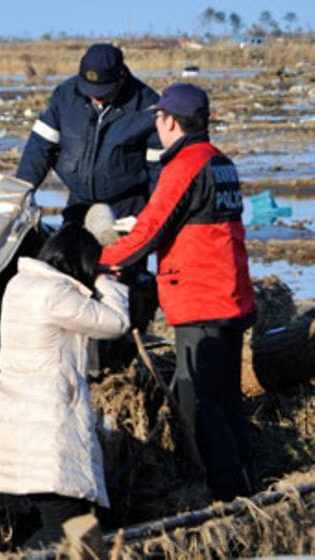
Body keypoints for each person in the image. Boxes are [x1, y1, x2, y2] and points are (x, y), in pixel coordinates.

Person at [99, 83, 257, 501]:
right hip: (230, 294)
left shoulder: (186, 164)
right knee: (226, 399)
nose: (156, 123)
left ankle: (222, 493)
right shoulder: (220, 162)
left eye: (158, 117)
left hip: (201, 299)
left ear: (170, 121)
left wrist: (100, 260)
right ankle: (249, 480)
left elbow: (152, 227)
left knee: (200, 403)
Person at [0, 225, 130, 548]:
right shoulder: (55, 294)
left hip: (20, 430)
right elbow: (115, 324)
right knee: (70, 531)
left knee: (55, 524)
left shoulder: (20, 285)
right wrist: (108, 282)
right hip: (50, 437)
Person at [16, 43, 163, 221]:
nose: (96, 97)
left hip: (127, 209)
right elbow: (39, 148)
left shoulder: (148, 108)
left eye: (103, 91)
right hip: (79, 205)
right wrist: (20, 194)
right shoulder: (65, 96)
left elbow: (160, 173)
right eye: (90, 89)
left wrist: (152, 218)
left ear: (121, 77)